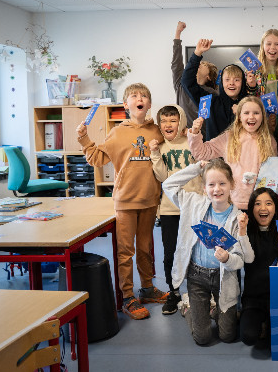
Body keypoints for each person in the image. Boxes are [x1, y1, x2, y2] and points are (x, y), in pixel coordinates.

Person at [76, 83, 167, 320]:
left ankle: (147, 289)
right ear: (126, 105)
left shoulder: (156, 131)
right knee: (125, 252)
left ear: (148, 104)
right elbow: (96, 158)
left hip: (150, 200)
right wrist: (84, 139)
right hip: (126, 201)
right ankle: (128, 296)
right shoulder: (117, 132)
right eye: (134, 96)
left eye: (144, 96)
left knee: (146, 248)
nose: (140, 98)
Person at [162, 159, 252, 346]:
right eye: (211, 184)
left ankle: (214, 309)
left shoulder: (238, 218)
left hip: (224, 278)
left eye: (222, 183)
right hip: (197, 276)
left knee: (227, 336)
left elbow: (240, 261)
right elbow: (168, 185)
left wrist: (227, 258)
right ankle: (187, 308)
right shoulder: (193, 203)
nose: (216, 189)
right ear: (204, 187)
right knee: (202, 338)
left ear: (231, 185)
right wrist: (196, 168)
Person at [150, 104, 201, 315]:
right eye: (164, 121)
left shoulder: (192, 141)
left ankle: (197, 293)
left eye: (173, 120)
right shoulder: (161, 147)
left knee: (196, 251)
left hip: (194, 206)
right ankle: (173, 292)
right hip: (170, 209)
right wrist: (154, 152)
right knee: (170, 252)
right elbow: (162, 177)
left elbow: (203, 166)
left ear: (181, 122)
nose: (168, 124)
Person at [188, 96, 276, 210]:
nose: (251, 117)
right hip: (231, 203)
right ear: (239, 116)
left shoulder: (269, 141)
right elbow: (201, 153)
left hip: (259, 204)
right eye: (246, 113)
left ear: (263, 117)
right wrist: (194, 133)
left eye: (256, 113)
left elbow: (272, 175)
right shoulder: (229, 138)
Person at [240, 188, 278, 347]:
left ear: (275, 207)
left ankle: (267, 322)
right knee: (248, 337)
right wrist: (242, 233)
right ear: (251, 208)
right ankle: (259, 321)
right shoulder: (246, 230)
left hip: (277, 296)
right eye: (257, 204)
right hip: (253, 297)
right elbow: (246, 258)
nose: (263, 208)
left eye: (268, 203)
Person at [182, 37, 248, 140]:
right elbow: (187, 82)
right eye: (227, 79)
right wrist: (197, 54)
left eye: (236, 80)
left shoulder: (249, 104)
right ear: (221, 83)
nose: (231, 83)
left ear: (243, 83)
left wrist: (241, 112)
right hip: (215, 155)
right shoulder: (211, 101)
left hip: (243, 154)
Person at [172, 21, 217, 128]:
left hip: (205, 139)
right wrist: (178, 33)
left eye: (203, 64)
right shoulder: (181, 85)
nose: (198, 65)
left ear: (209, 76)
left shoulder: (211, 93)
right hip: (184, 137)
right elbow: (176, 63)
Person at [246, 28, 278, 97]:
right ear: (263, 46)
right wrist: (251, 87)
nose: (272, 47)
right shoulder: (252, 70)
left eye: (277, 44)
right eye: (268, 44)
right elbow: (247, 99)